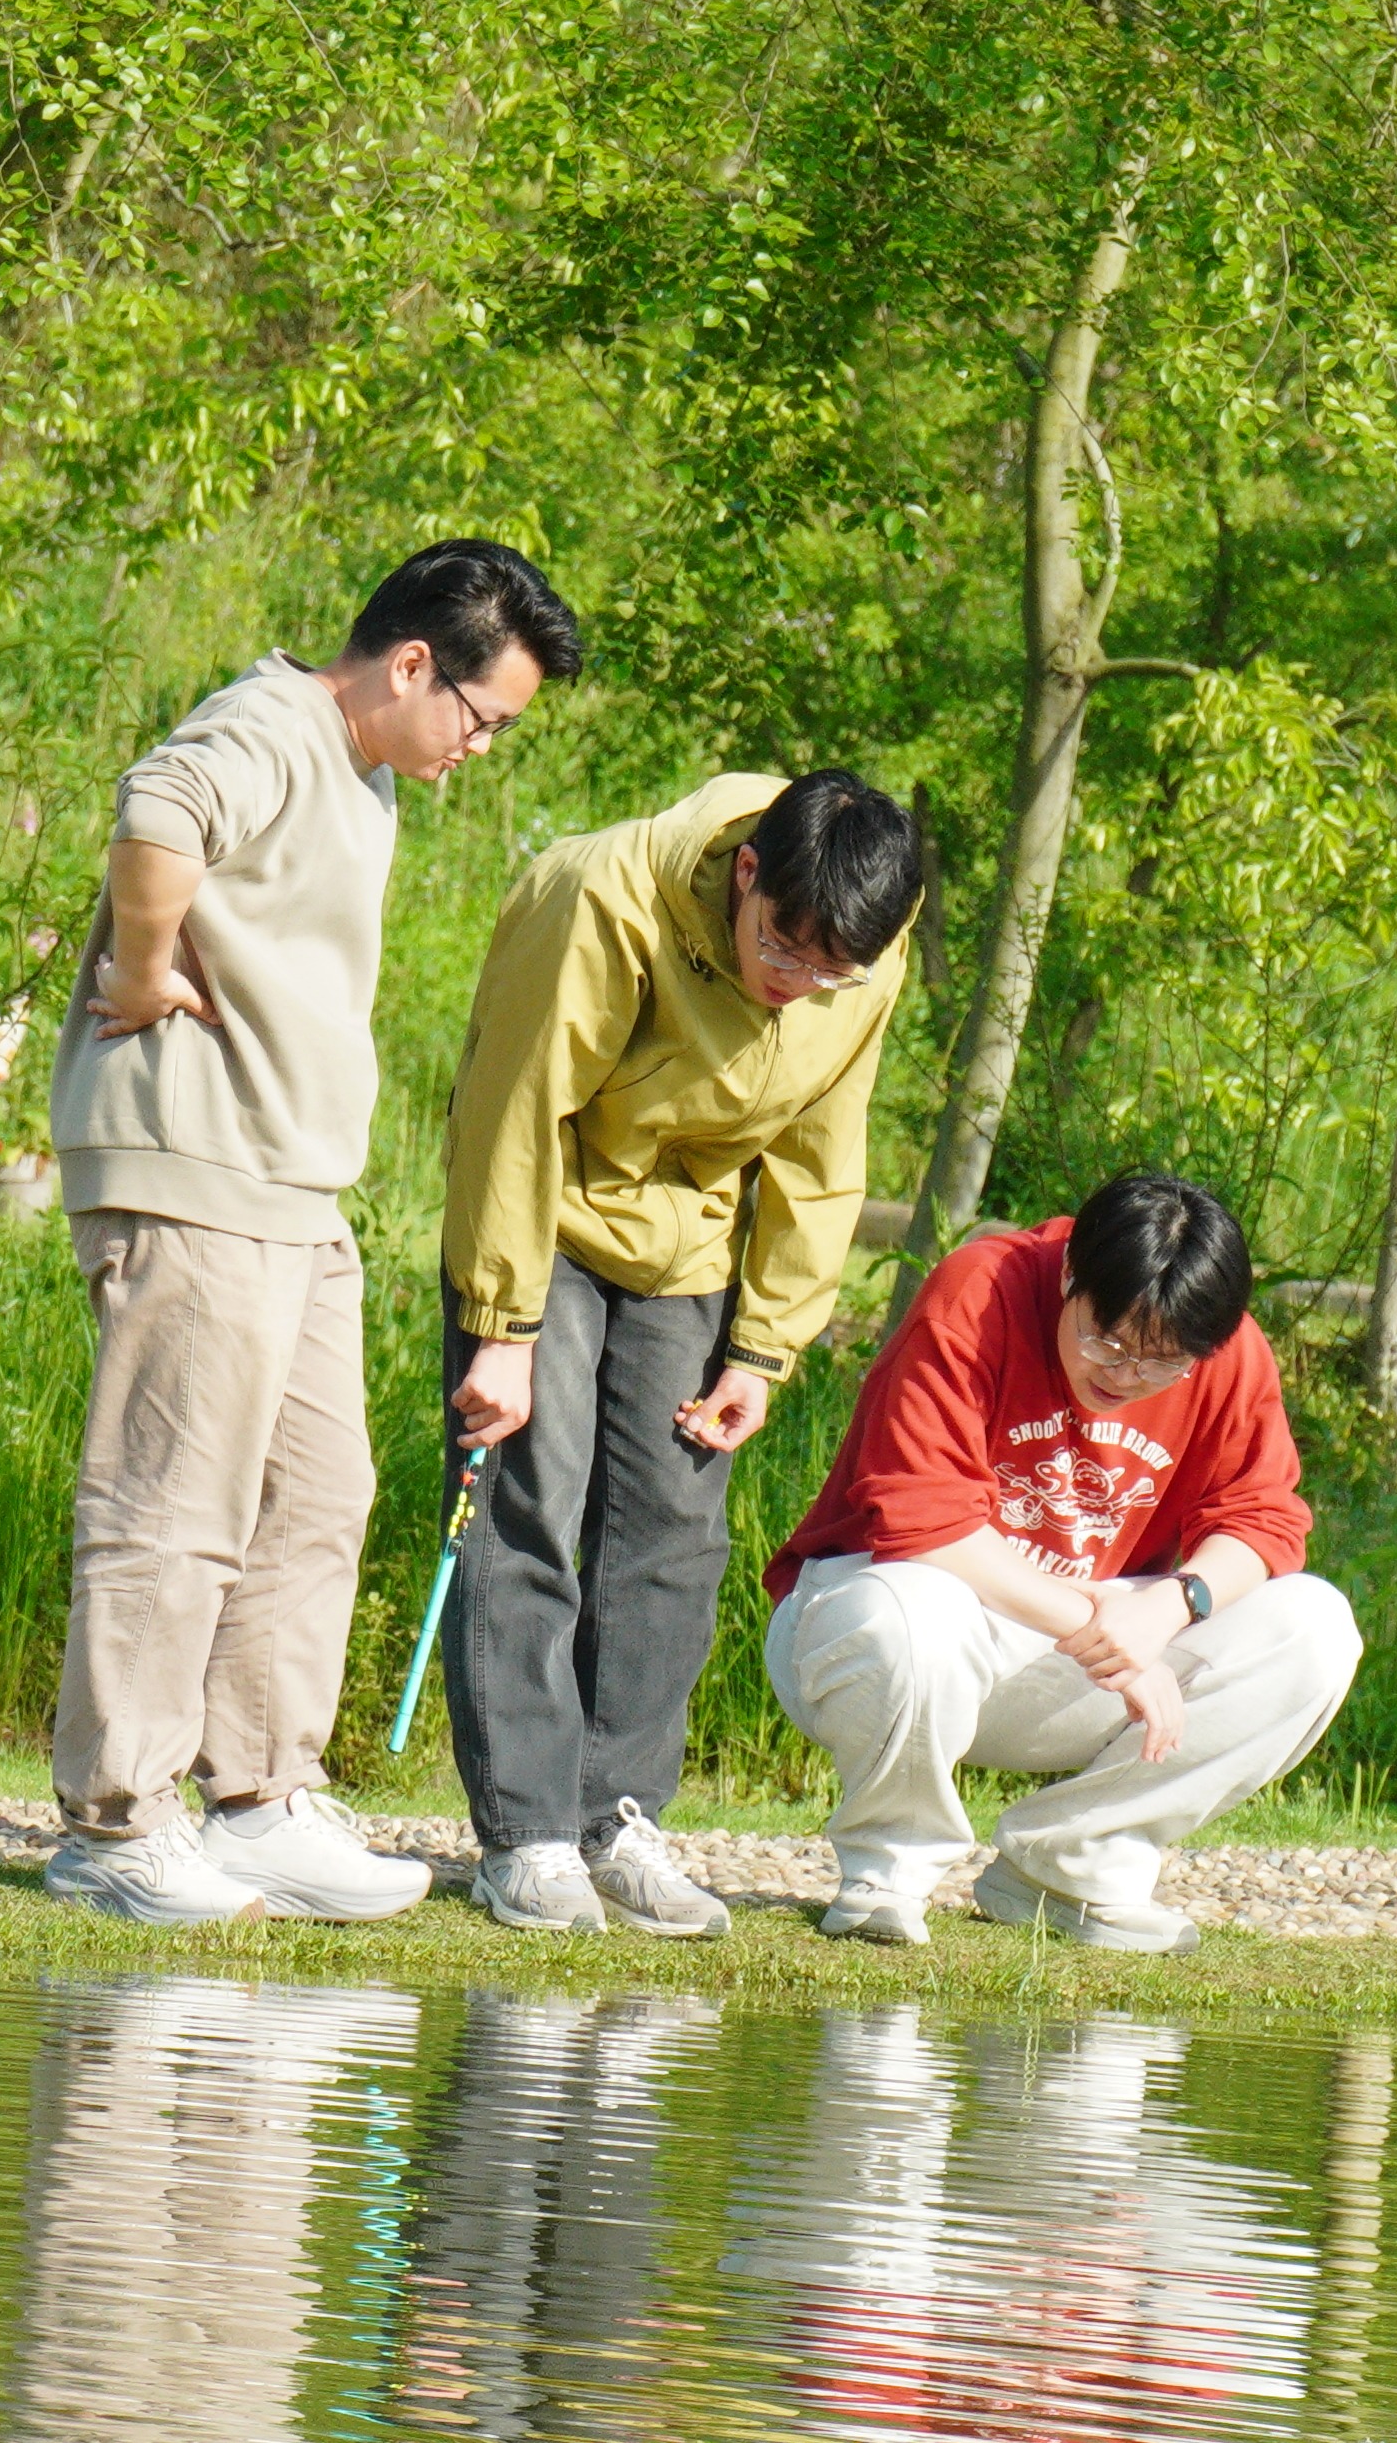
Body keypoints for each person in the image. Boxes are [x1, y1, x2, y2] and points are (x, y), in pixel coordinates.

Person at [42, 539, 589, 1929]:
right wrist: (145, 965)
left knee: (318, 1492)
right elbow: (159, 808)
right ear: (414, 663)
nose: (481, 747)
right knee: (177, 1502)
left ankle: (260, 1800)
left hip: (292, 1194)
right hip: (195, 1170)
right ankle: (115, 1824)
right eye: (483, 718)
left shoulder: (361, 773)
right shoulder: (273, 721)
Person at [435, 765, 921, 1941]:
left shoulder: (861, 949)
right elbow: (512, 1109)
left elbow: (820, 1150)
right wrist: (499, 1328)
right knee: (529, 1506)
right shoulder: (601, 897)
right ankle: (525, 1836)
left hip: (686, 1245)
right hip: (543, 1217)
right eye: (781, 951)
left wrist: (761, 1349)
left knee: (673, 1525)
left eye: (829, 973)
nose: (796, 985)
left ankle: (614, 1819)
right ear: (745, 873)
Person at [762, 1170, 1363, 1954]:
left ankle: (1071, 1866)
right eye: (1105, 1341)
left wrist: (1172, 1603)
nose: (1124, 1375)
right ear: (1070, 1275)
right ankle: (887, 1869)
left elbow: (1263, 1518)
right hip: (886, 1619)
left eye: (1161, 1363)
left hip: (1072, 1653)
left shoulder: (1220, 1344)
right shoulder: (977, 1292)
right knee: (908, 1608)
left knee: (1314, 1626)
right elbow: (923, 1523)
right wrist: (1096, 1625)